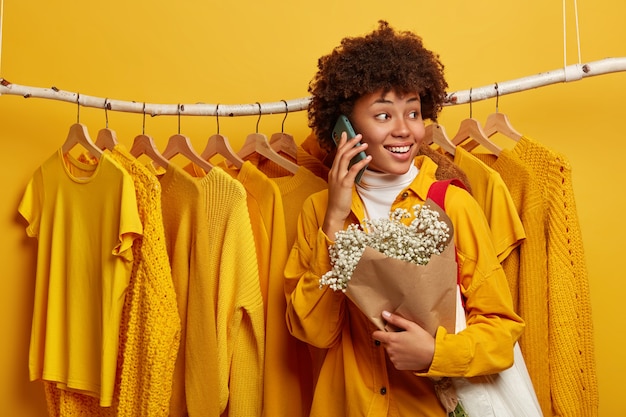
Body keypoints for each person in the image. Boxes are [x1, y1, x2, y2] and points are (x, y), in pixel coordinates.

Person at [284, 21, 525, 416]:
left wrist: (436, 353)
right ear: (344, 128)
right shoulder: (319, 210)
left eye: (413, 112)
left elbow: (502, 331)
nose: (404, 129)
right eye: (383, 116)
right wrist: (335, 221)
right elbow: (313, 332)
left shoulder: (451, 205)